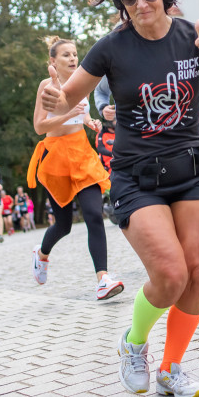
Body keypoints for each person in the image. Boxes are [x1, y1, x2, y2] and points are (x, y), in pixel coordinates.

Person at [41, 0, 199, 397]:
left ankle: (171, 367)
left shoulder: (192, 37)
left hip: (192, 171)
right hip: (136, 178)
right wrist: (50, 97)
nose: (140, 5)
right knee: (171, 274)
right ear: (120, 2)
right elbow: (67, 99)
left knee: (197, 271)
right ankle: (133, 342)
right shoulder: (110, 49)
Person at [28, 35, 124, 302]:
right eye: (66, 55)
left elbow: (80, 114)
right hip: (56, 157)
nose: (72, 59)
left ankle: (103, 279)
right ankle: (42, 253)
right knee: (64, 224)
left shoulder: (82, 84)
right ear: (53, 61)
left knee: (94, 214)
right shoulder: (46, 86)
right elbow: (39, 127)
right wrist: (68, 115)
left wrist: (89, 121)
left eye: (74, 54)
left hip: (81, 154)